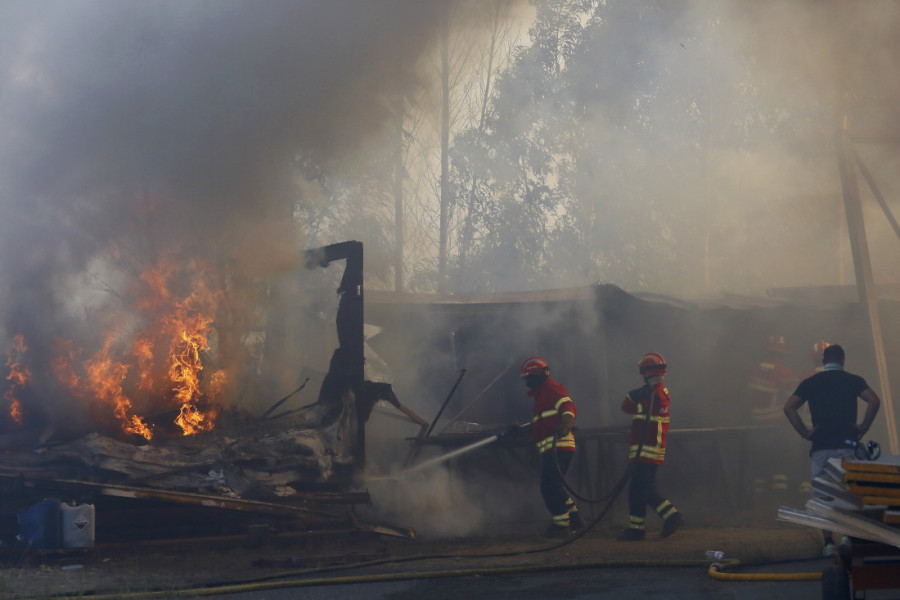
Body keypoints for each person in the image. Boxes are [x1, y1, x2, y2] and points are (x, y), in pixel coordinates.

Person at [783, 343, 881, 557]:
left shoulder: (810, 382)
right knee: (846, 494)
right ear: (843, 360)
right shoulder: (853, 380)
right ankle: (846, 536)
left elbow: (788, 407)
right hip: (848, 446)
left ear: (823, 362)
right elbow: (874, 400)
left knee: (822, 498)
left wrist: (804, 432)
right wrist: (863, 428)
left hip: (820, 448)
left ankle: (828, 544)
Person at [617, 352, 684, 541]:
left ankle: (663, 519)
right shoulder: (660, 393)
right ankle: (645, 525)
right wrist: (637, 395)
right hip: (649, 449)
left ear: (647, 372)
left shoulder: (654, 396)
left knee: (640, 489)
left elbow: (626, 407)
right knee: (643, 488)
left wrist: (634, 396)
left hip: (646, 449)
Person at [520, 356, 584, 537]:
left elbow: (568, 407)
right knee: (555, 485)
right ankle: (574, 518)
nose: (526, 382)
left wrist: (566, 425)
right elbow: (543, 422)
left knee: (549, 487)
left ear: (537, 375)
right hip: (552, 449)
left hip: (559, 447)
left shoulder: (552, 389)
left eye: (528, 378)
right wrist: (521, 431)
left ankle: (561, 525)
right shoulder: (541, 395)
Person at [746, 335, 798, 507]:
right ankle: (779, 503)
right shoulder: (784, 372)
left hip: (756, 425)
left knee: (760, 464)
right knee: (779, 465)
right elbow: (792, 400)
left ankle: (757, 504)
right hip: (776, 425)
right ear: (782, 353)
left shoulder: (753, 369)